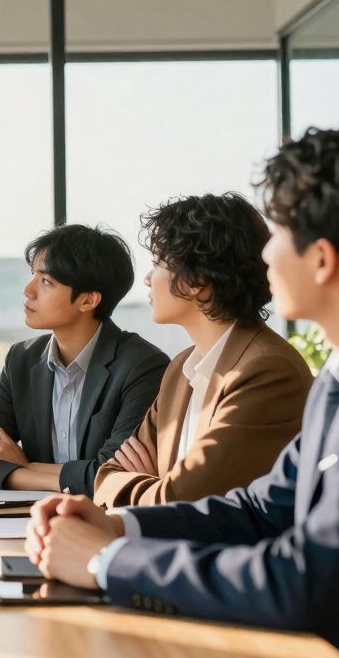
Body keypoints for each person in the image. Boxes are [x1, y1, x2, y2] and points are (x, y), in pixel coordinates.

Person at [25, 124, 339, 658]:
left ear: (321, 259)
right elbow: (260, 510)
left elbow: (306, 578)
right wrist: (118, 523)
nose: (265, 256)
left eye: (276, 235)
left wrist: (107, 560)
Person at [93, 194, 312, 506]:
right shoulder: (180, 369)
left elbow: (183, 501)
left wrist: (151, 484)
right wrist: (155, 486)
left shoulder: (267, 371)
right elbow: (107, 474)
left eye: (157, 262)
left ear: (198, 280)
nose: (147, 277)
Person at [0, 225, 169, 494]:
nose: (28, 290)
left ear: (88, 300)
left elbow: (113, 475)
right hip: (31, 519)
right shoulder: (21, 360)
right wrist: (36, 474)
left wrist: (24, 466)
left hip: (105, 523)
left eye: (46, 281)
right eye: (32, 274)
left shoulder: (142, 366)